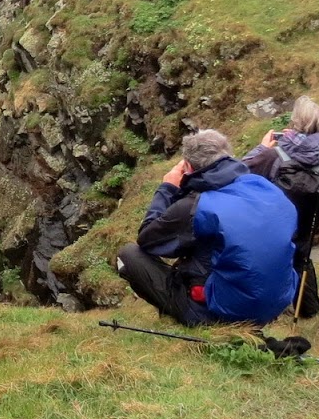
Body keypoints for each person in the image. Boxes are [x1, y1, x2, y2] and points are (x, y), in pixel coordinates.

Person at [115, 129, 297, 327]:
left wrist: (168, 188)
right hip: (275, 303)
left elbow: (148, 239)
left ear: (188, 167)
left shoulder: (197, 206)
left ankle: (196, 316)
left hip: (226, 313)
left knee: (129, 255)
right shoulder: (264, 186)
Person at [242, 96, 319, 317]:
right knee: (301, 257)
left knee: (269, 258)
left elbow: (240, 170)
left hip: (277, 218)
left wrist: (261, 148)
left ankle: (267, 307)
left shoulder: (276, 152)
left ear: (293, 122)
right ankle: (308, 309)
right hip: (309, 215)